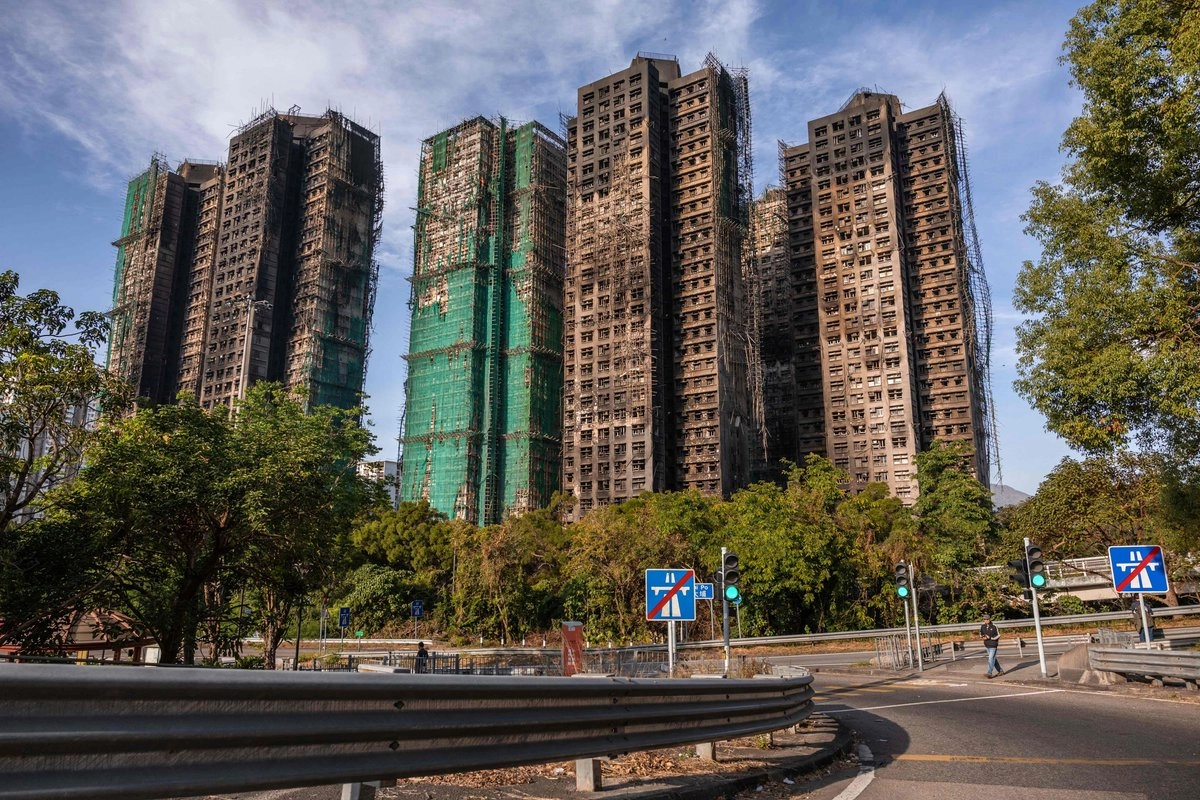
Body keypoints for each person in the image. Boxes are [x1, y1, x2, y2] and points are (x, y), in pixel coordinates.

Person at [980, 613, 1003, 678]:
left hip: (993, 645)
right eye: (984, 619)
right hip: (987, 645)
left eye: (987, 619)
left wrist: (990, 638)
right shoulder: (982, 626)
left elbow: (998, 635)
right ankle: (1000, 671)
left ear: (989, 619)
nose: (986, 620)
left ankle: (989, 673)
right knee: (993, 659)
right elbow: (980, 634)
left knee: (990, 659)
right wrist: (982, 637)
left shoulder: (994, 626)